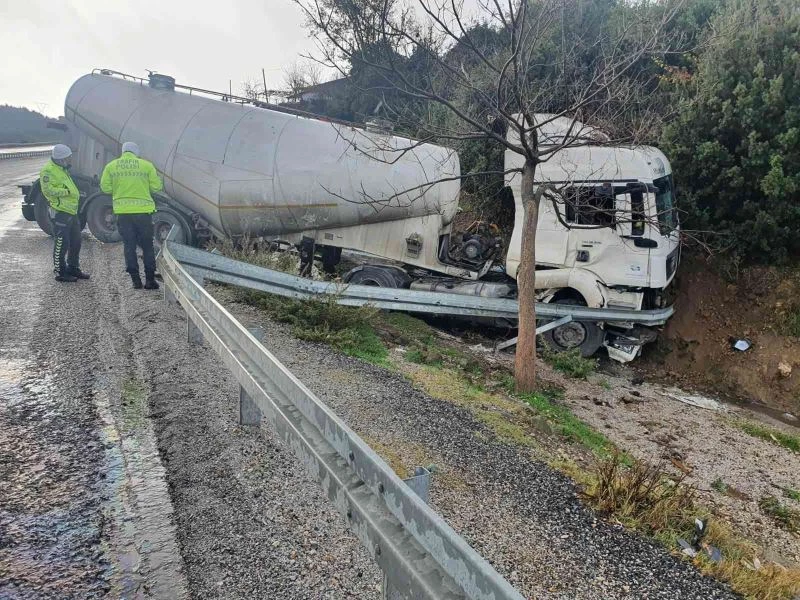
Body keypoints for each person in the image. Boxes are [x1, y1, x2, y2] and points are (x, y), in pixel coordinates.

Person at [100, 142, 162, 289]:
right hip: (143, 213)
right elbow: (156, 187)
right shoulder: (146, 165)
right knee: (147, 246)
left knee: (129, 246)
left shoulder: (111, 166)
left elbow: (105, 187)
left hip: (123, 214)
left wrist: (120, 189)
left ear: (123, 152)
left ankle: (135, 281)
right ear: (136, 152)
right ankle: (150, 280)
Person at [39, 144, 90, 282]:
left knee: (76, 241)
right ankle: (60, 272)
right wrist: (67, 192)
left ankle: (73, 268)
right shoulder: (48, 171)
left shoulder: (62, 169)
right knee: (62, 242)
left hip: (71, 211)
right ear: (61, 159)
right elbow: (48, 190)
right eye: (68, 158)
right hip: (60, 211)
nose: (70, 160)